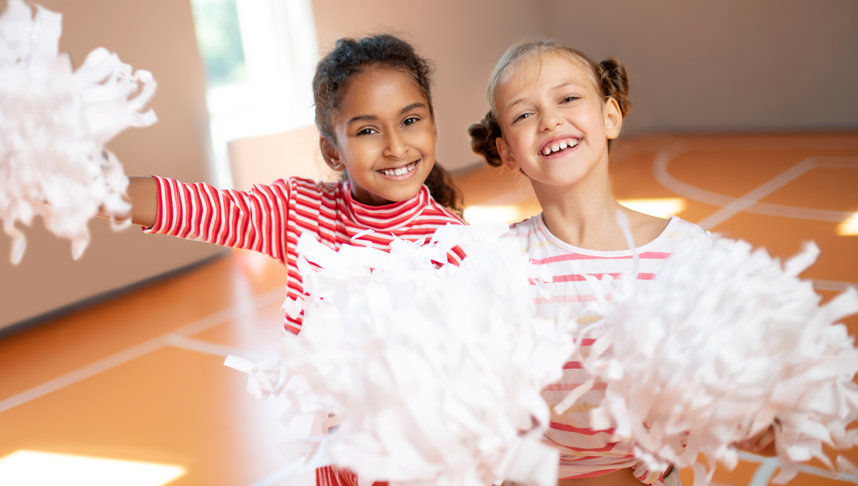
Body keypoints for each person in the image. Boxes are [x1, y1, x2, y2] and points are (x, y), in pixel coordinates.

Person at [108, 34, 465, 486]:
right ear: (332, 150)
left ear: (433, 127)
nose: (395, 146)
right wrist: (93, 187)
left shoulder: (454, 244)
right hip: (336, 468)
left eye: (410, 120)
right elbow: (202, 207)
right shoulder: (300, 211)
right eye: (367, 130)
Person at [468, 40, 775, 486]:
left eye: (568, 98)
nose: (550, 120)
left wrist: (754, 413)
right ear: (509, 151)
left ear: (610, 116)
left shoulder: (688, 254)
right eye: (523, 114)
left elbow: (734, 374)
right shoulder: (495, 263)